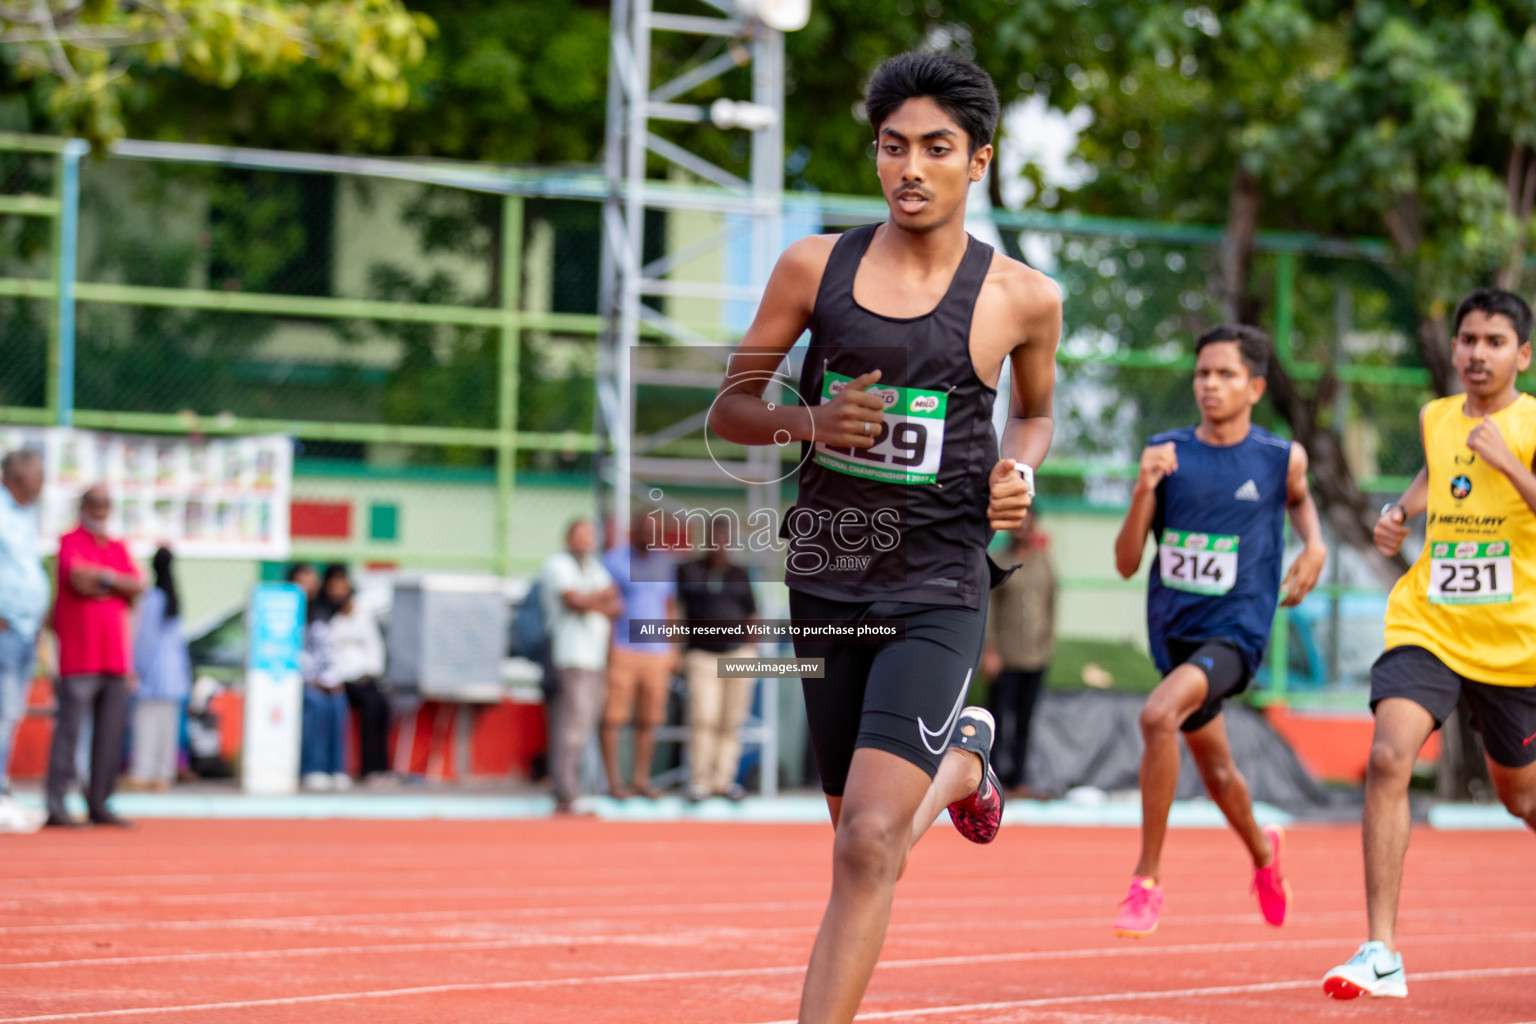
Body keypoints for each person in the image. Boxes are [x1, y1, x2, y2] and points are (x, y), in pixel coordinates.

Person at [708, 52, 1060, 1022]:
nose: (910, 167)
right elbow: (732, 409)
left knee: (868, 840)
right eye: (893, 146)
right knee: (859, 838)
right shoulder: (814, 267)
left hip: (940, 582)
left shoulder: (1022, 298)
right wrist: (811, 423)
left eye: (936, 148)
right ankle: (965, 766)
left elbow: (1034, 416)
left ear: (977, 160)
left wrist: (1018, 470)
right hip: (826, 574)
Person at [1323, 288, 1536, 1000]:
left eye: (1495, 341)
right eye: (1469, 339)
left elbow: (1498, 474)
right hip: (1431, 621)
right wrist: (1397, 512)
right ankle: (1382, 951)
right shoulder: (1437, 417)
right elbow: (1440, 475)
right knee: (1388, 758)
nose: (1479, 353)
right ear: (1454, 349)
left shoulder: (1532, 424)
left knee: (1522, 799)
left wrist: (1509, 463)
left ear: (1523, 355)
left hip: (1515, 643)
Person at [1110, 324, 1327, 938]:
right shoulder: (1167, 454)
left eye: (1226, 374)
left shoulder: (1278, 457)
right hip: (1177, 633)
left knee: (1158, 717)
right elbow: (1127, 563)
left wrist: (1316, 548)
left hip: (1236, 633)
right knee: (1219, 772)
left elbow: (1301, 497)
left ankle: (1146, 881)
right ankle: (1264, 852)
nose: (1210, 384)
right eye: (1203, 373)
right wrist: (1142, 489)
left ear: (1255, 386)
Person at [44, 485, 145, 827]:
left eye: (105, 505)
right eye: (94, 504)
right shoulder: (69, 541)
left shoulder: (117, 546)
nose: (100, 511)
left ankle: (99, 803)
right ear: (83, 507)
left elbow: (139, 584)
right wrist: (117, 584)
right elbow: (77, 577)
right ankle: (57, 805)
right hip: (79, 657)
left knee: (110, 733)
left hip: (114, 658)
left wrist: (104, 579)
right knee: (69, 732)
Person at [541, 518, 620, 815]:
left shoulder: (594, 568)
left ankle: (572, 788)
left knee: (584, 725)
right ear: (567, 538)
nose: (585, 541)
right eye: (579, 535)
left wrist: (591, 600)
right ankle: (565, 792)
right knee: (569, 727)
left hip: (594, 657)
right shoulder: (558, 565)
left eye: (589, 536)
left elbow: (616, 603)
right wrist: (598, 599)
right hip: (569, 656)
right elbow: (573, 601)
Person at [677, 519, 759, 801]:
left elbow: (752, 614)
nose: (720, 543)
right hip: (702, 656)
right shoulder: (689, 570)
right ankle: (699, 781)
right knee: (703, 718)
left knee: (732, 721)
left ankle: (723, 781)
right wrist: (676, 650)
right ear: (707, 539)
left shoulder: (740, 574)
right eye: (715, 537)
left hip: (737, 654)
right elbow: (675, 610)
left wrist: (751, 650)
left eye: (725, 537)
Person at [600, 510, 677, 799]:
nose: (648, 533)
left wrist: (672, 648)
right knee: (613, 717)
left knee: (649, 719)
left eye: (652, 530)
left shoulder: (665, 563)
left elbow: (669, 607)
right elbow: (607, 605)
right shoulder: (614, 560)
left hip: (656, 652)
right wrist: (608, 648)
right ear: (634, 530)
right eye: (643, 528)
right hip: (623, 648)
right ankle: (613, 782)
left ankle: (640, 780)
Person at [982, 508, 1056, 796]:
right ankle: (995, 780)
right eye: (1017, 522)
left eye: (1027, 521)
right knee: (998, 721)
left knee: (1025, 721)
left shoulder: (1044, 563)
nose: (1022, 527)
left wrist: (1047, 643)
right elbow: (988, 611)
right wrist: (990, 652)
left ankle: (1019, 780)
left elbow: (1051, 604)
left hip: (1036, 657)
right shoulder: (999, 562)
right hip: (1005, 658)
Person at [0, 450, 49, 833]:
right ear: (16, 478)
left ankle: (3, 791)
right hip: (4, 629)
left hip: (24, 629)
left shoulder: (25, 514)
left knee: (11, 712)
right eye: (37, 476)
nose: (43, 482)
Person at [125, 547, 192, 791]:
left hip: (153, 672)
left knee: (146, 724)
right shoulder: (176, 598)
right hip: (175, 675)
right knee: (168, 727)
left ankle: (142, 772)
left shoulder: (153, 598)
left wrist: (135, 667)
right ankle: (164, 774)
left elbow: (145, 639)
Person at [329, 583, 391, 782]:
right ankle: (365, 768)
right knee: (370, 706)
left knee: (380, 705)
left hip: (363, 677)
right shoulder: (332, 620)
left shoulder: (362, 617)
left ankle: (378, 767)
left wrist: (371, 673)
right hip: (341, 679)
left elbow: (374, 647)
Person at [299, 565, 351, 791]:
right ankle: (313, 768)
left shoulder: (323, 613)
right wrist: (313, 679)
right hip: (303, 682)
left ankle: (336, 769)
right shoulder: (287, 611)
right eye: (303, 580)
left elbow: (327, 653)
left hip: (324, 680)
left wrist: (331, 680)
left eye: (312, 581)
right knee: (316, 704)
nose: (308, 586)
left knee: (338, 704)